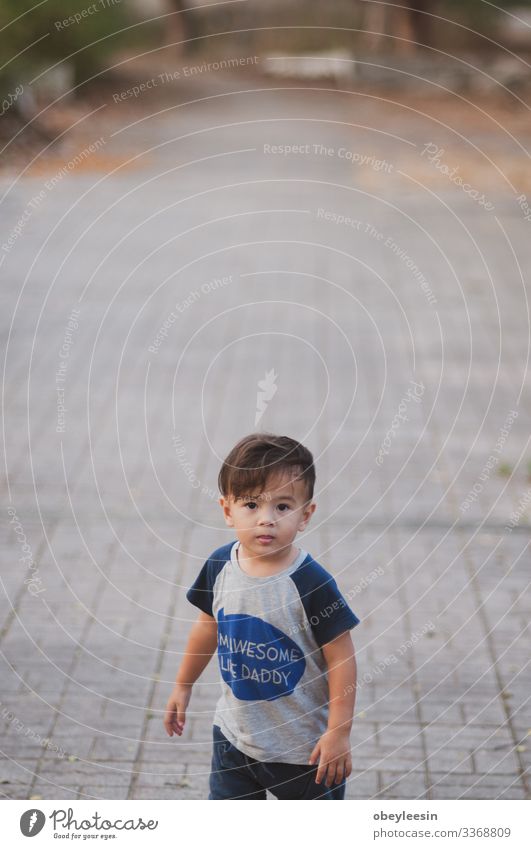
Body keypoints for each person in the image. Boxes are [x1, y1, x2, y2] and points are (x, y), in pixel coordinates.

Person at [163, 433, 360, 799]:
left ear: (306, 514)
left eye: (283, 507)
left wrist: (338, 731)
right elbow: (207, 627)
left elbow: (341, 657)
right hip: (234, 738)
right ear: (227, 510)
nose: (266, 520)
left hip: (304, 751)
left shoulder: (310, 583)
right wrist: (182, 685)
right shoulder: (220, 565)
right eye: (251, 505)